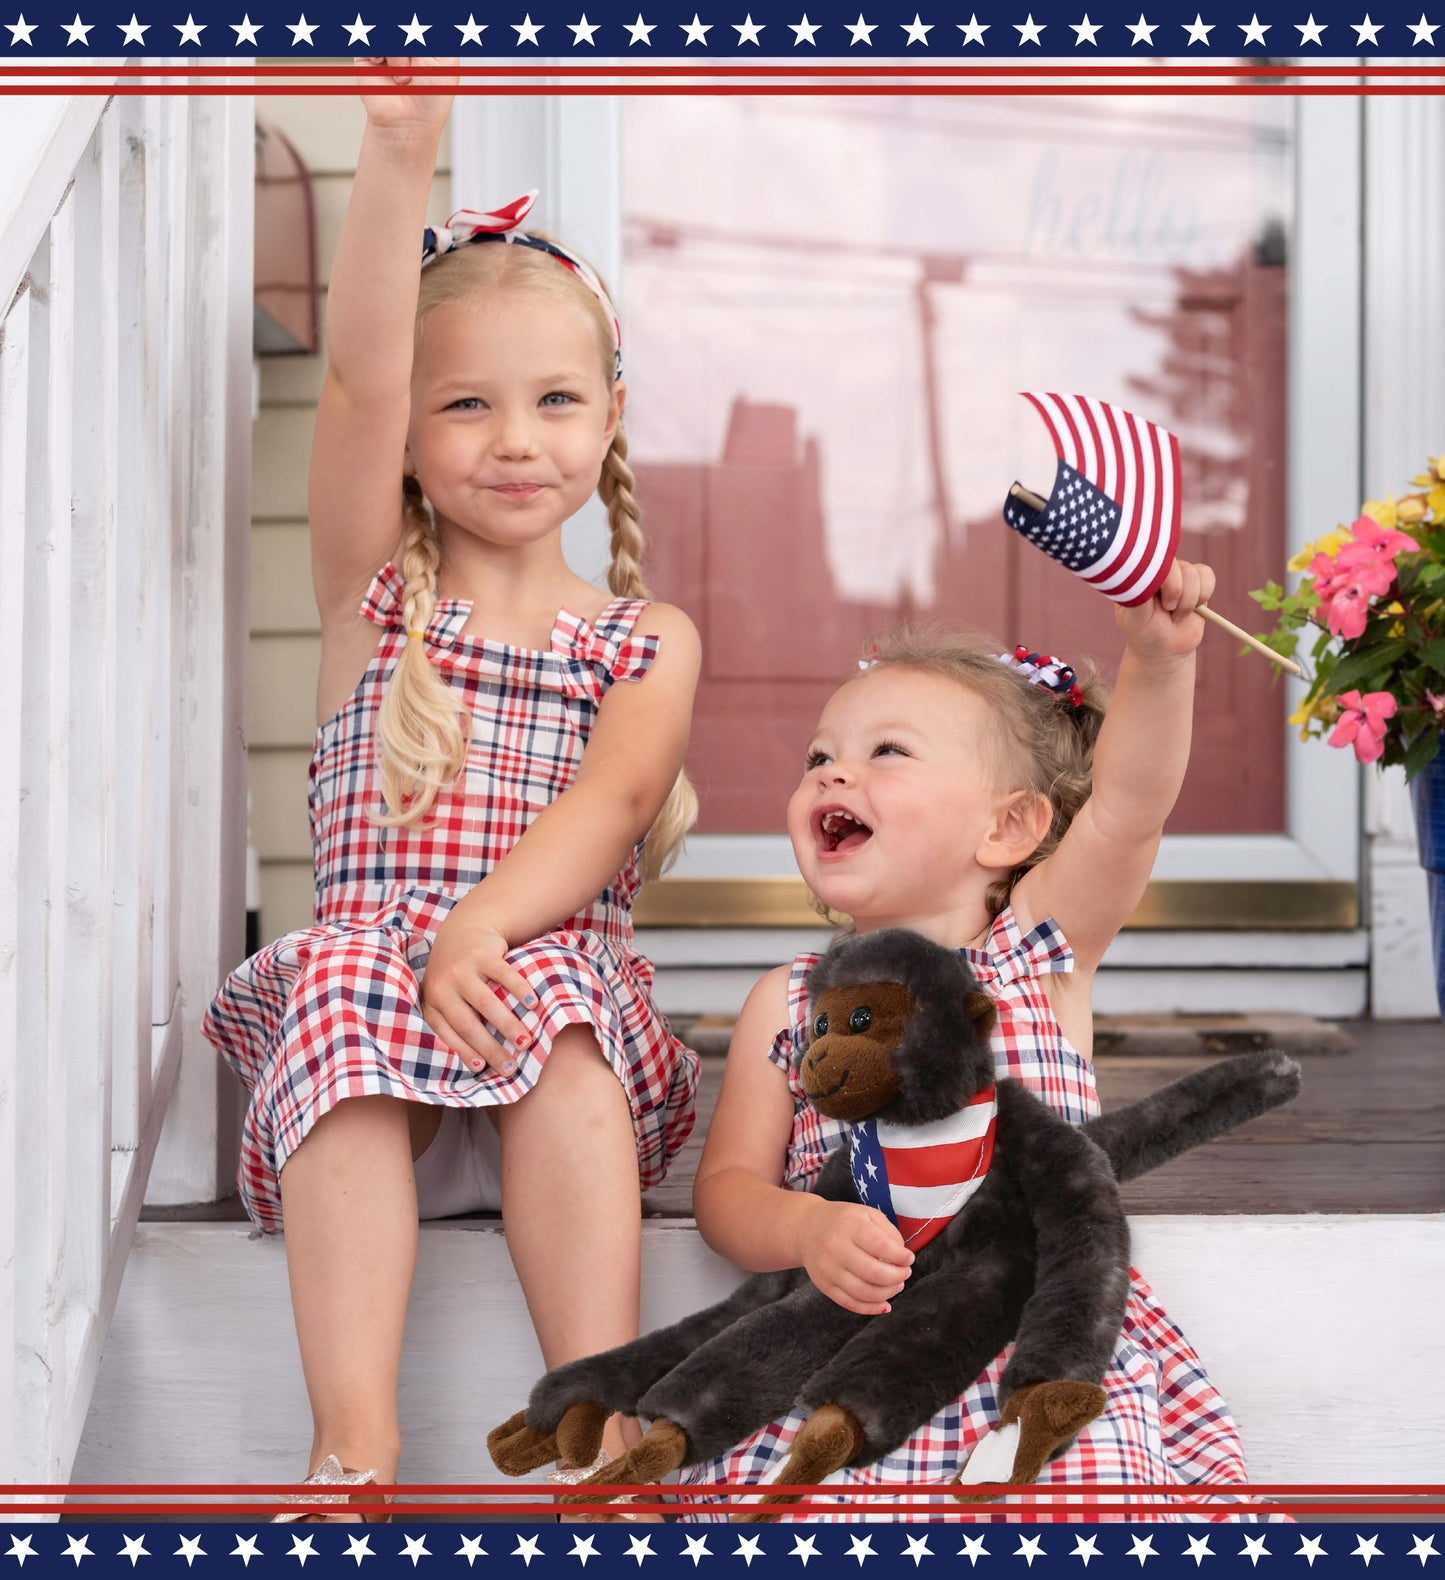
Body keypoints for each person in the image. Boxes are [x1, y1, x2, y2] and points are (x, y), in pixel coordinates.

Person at [204, 60, 701, 1521]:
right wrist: (400, 145)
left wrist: (481, 927)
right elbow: (355, 371)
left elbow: (609, 805)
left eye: (554, 400)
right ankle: (353, 1447)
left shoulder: (641, 638)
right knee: (356, 972)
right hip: (374, 1100)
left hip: (552, 1068)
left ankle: (597, 1424)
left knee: (548, 991)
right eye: (465, 405)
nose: (513, 438)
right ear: (416, 442)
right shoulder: (375, 602)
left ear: (609, 417)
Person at [685, 560, 1261, 1521]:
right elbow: (726, 1191)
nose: (833, 771)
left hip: (1033, 1337)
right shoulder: (786, 1002)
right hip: (853, 1351)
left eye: (887, 752)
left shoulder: (1040, 951)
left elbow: (1128, 810)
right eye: (818, 757)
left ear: (1009, 826)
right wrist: (803, 1228)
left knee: (1068, 1506)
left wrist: (1158, 665)